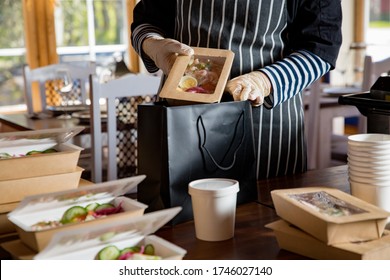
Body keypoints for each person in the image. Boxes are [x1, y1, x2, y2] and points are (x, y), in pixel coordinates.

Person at [131, 0, 342, 179]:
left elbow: (321, 46)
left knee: (264, 221)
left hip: (266, 126)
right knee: (180, 221)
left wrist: (264, 81)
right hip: (181, 118)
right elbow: (147, 21)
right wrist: (154, 46)